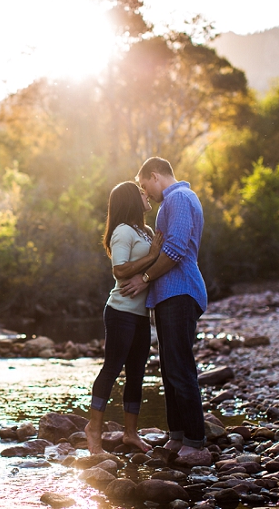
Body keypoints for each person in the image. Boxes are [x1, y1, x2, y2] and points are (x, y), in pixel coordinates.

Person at [119, 157, 211, 467]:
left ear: (155, 176)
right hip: (169, 294)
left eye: (145, 186)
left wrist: (143, 278)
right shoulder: (171, 203)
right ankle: (178, 434)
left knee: (180, 366)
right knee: (170, 366)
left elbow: (175, 249)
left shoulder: (180, 198)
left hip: (181, 291)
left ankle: (197, 443)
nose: (147, 193)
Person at [85, 181, 164, 454]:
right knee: (112, 368)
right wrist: (152, 255)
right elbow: (119, 270)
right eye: (141, 193)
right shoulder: (122, 232)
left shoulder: (147, 232)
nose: (147, 195)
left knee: (137, 373)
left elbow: (154, 269)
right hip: (120, 312)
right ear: (131, 199)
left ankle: (130, 433)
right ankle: (93, 429)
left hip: (141, 314)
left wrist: (148, 272)